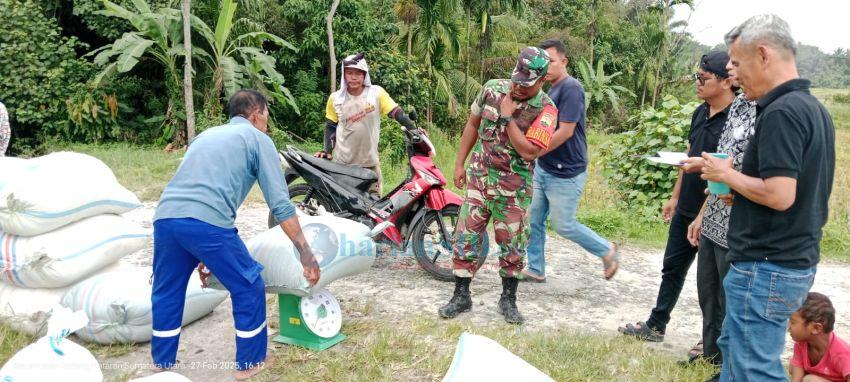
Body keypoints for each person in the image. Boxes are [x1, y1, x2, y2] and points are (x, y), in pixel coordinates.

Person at [151, 90, 321, 381]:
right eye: (267, 115)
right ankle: (250, 362)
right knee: (248, 283)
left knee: (167, 289)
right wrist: (305, 251)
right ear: (256, 114)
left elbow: (196, 188)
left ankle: (162, 361)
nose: (267, 122)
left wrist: (203, 253)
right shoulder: (259, 140)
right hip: (207, 223)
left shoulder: (204, 137)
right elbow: (280, 204)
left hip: (166, 217)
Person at [704, 14, 835, 382]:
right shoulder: (812, 108)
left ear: (763, 54)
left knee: (754, 370)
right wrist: (738, 193)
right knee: (735, 358)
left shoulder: (781, 112)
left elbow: (779, 195)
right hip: (789, 260)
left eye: (737, 63)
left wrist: (726, 174)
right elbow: (798, 193)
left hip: (767, 266)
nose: (733, 74)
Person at [619, 50, 736, 343]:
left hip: (716, 212)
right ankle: (656, 324)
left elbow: (725, 174)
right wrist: (675, 196)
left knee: (713, 283)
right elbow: (689, 158)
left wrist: (702, 215)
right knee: (672, 267)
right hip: (687, 206)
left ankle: (711, 342)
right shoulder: (699, 112)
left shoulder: (735, 120)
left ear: (725, 81)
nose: (697, 83)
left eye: (703, 78)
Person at [438, 47, 558, 325]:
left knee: (513, 245)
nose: (517, 86)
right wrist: (459, 164)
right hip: (479, 180)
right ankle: (461, 295)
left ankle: (508, 299)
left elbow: (529, 152)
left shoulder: (547, 110)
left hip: (513, 190)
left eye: (526, 84)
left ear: (542, 81)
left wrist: (507, 117)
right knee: (465, 237)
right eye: (516, 79)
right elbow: (472, 125)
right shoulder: (492, 89)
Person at [521, 38, 620, 283]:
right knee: (533, 219)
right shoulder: (550, 88)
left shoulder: (571, 88)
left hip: (566, 171)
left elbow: (565, 131)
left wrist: (533, 153)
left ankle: (607, 250)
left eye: (551, 61)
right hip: (544, 168)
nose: (546, 67)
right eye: (542, 63)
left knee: (563, 224)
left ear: (564, 61)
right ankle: (535, 268)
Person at [681, 63, 756, 374]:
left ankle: (727, 364)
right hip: (715, 215)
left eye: (736, 64)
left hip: (739, 223)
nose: (731, 69)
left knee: (730, 299)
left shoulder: (769, 111)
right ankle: (710, 353)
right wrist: (703, 212)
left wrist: (734, 187)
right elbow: (722, 164)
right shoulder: (739, 106)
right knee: (708, 291)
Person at [317, 52, 418, 196]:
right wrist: (327, 151)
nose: (353, 77)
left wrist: (414, 130)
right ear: (344, 75)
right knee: (341, 209)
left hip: (369, 165)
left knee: (373, 209)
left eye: (358, 73)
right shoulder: (336, 98)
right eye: (349, 73)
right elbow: (331, 126)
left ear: (365, 75)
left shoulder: (376, 94)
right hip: (342, 165)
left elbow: (396, 113)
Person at [789, 293, 850, 382]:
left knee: (809, 380)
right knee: (793, 367)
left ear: (816, 328)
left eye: (793, 322)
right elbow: (797, 373)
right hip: (821, 377)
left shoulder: (841, 353)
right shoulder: (801, 343)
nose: (788, 327)